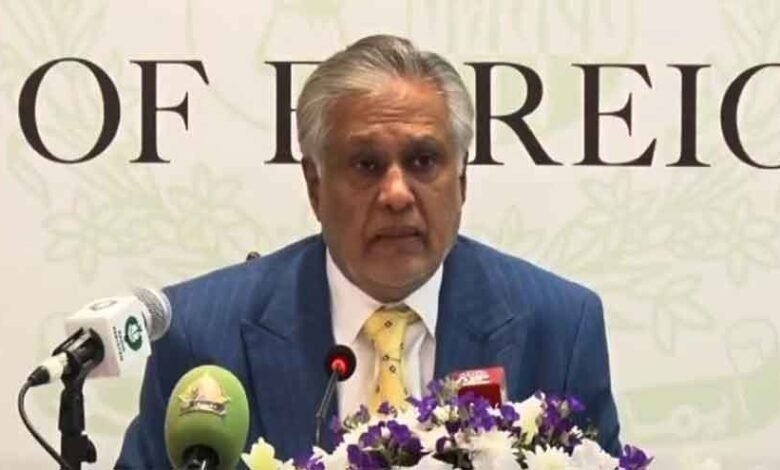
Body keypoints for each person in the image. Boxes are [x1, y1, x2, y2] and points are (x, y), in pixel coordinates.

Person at [116, 34, 620, 467]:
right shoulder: (201, 335)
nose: (397, 194)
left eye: (423, 161)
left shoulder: (558, 329)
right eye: (365, 165)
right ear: (315, 185)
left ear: (462, 179)